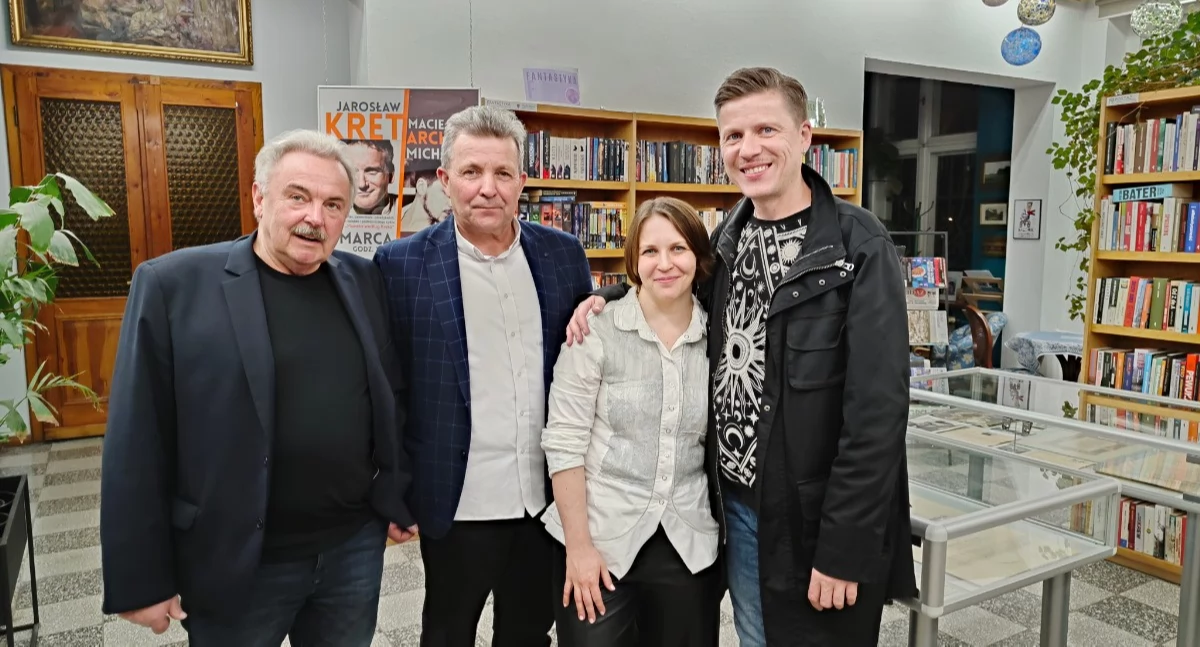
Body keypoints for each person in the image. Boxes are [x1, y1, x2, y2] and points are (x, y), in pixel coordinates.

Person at [567, 67, 917, 647]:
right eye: (733, 136)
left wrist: (844, 545)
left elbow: (878, 412)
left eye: (766, 130)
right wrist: (605, 297)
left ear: (805, 136)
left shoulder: (859, 246)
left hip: (817, 523)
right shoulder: (725, 239)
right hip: (736, 509)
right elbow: (670, 284)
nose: (748, 149)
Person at [99, 129, 417, 646]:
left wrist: (395, 496)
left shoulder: (363, 280)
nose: (316, 217)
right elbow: (136, 441)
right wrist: (141, 580)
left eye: (334, 204)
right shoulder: (173, 286)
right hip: (239, 562)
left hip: (351, 551)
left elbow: (390, 398)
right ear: (258, 198)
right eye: (298, 197)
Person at [373, 104, 595, 647]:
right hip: (457, 499)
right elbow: (388, 390)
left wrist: (605, 299)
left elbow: (588, 344)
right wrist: (393, 490)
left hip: (543, 499)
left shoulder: (563, 255)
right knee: (447, 631)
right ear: (445, 181)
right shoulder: (399, 265)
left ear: (523, 180)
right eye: (471, 172)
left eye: (502, 173)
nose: (487, 188)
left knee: (527, 632)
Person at [542, 197, 722, 647]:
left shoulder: (717, 339)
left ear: (698, 258)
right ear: (634, 262)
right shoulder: (592, 332)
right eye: (650, 252)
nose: (665, 264)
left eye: (678, 249)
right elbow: (564, 443)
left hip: (688, 540)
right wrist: (579, 548)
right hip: (601, 536)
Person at [345, 138, 400, 215]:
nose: (362, 184)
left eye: (372, 172)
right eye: (353, 171)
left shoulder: (407, 212)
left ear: (391, 175)